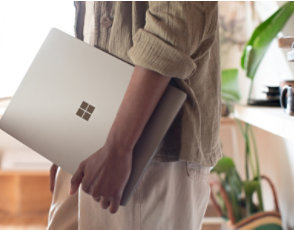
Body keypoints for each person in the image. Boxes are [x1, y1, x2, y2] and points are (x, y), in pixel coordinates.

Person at [47, 2, 221, 229]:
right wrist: (71, 136)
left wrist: (118, 146)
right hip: (92, 140)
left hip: (146, 149)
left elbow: (175, 23)